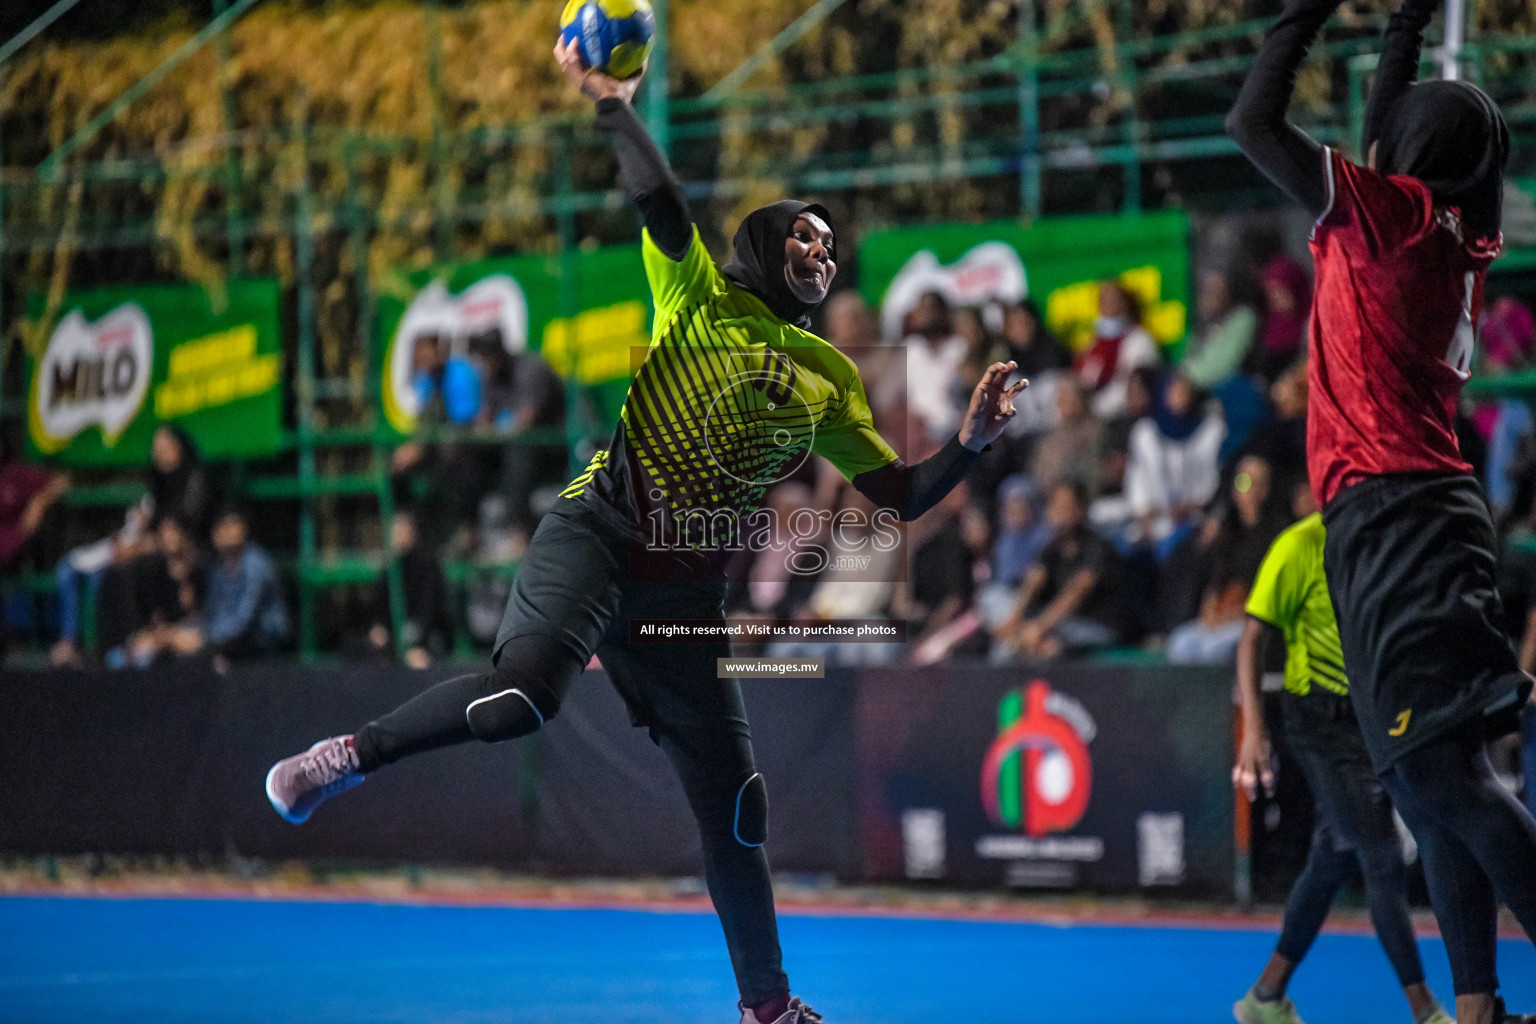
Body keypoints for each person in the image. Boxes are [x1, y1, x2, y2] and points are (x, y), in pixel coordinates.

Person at [264, 43, 1026, 1024]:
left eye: (831, 245)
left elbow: (903, 493)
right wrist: (614, 106)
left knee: (738, 805)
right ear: (760, 243)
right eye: (804, 234)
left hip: (682, 595)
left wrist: (970, 443)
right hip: (601, 532)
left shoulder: (830, 376)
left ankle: (768, 1007)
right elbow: (662, 201)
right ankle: (344, 758)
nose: (820, 249)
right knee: (515, 703)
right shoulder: (695, 296)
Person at [1228, 1, 1536, 1020]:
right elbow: (1382, 123)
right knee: (1425, 782)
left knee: (1443, 781)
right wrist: (1406, 21)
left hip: (1397, 516)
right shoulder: (1447, 225)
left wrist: (1302, 16)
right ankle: (1481, 1005)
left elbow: (1253, 125)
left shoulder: (1388, 218)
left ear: (1407, 154)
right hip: (1411, 512)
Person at [1232, 489, 1451, 1024]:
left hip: (1372, 720)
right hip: (1316, 723)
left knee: (1332, 855)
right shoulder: (1297, 546)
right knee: (1381, 855)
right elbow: (1251, 637)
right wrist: (1254, 728)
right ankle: (1427, 1012)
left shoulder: (1381, 542)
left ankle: (1264, 998)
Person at [993, 480, 1129, 660]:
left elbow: (1076, 592)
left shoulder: (1098, 547)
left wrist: (1039, 627)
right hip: (1064, 623)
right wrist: (1014, 618)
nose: (1057, 514)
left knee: (1047, 647)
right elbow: (1034, 581)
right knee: (1003, 640)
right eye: (1054, 507)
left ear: (1081, 509)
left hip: (1099, 626)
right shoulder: (1051, 547)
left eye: (1065, 507)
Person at [1125, 373, 1226, 555]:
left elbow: (1214, 475)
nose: (1181, 398)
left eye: (1185, 392)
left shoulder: (1211, 430)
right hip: (1154, 520)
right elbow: (1137, 476)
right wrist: (1143, 512)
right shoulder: (1144, 433)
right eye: (1175, 392)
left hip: (1195, 518)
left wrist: (1194, 505)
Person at [203, 508, 290, 662]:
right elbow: (214, 613)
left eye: (234, 524)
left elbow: (245, 618)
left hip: (263, 642)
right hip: (231, 641)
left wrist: (206, 638)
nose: (231, 531)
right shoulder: (217, 569)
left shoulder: (256, 563)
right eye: (225, 526)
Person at [1073, 280, 1161, 419]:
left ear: (1125, 303)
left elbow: (1137, 388)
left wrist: (1098, 408)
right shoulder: (1090, 346)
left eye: (1113, 299)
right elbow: (1082, 381)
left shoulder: (1141, 340)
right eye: (1103, 300)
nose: (1107, 305)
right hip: (1089, 418)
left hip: (1124, 417)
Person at [1182, 269, 1260, 389]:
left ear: (1229, 293)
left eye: (1213, 291)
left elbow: (1224, 366)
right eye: (1206, 290)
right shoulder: (1204, 321)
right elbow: (1185, 359)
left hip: (1220, 389)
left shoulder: (1244, 318)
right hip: (1192, 386)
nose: (1207, 297)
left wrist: (1188, 380)